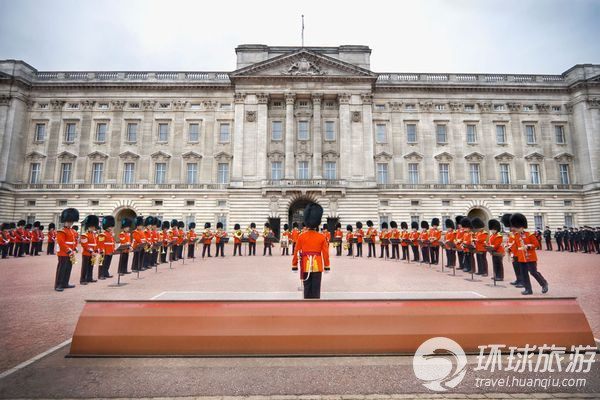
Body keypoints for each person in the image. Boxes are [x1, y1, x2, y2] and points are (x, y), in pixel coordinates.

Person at [292, 203, 330, 299]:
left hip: (305, 264)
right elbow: (325, 253)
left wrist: (294, 265)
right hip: (317, 265)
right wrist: (327, 266)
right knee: (316, 289)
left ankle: (307, 308)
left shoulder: (301, 236)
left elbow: (296, 251)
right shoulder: (321, 237)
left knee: (307, 288)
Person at [510, 213, 548, 295]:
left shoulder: (529, 235)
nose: (516, 229)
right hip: (521, 258)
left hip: (530, 257)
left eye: (517, 228)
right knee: (524, 274)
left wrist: (527, 246)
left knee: (533, 272)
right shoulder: (516, 235)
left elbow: (536, 244)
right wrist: (513, 255)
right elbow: (515, 247)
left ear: (522, 227)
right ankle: (528, 289)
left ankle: (544, 283)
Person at [54, 208, 79, 291]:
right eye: (68, 222)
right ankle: (58, 285)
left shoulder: (72, 231)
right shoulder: (61, 231)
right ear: (65, 221)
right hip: (63, 253)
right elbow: (61, 243)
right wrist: (68, 250)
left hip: (70, 252)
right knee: (62, 269)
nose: (70, 223)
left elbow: (74, 241)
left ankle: (65, 283)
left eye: (71, 222)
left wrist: (75, 247)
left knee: (68, 268)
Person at [502, 213, 523, 288]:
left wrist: (510, 247)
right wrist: (506, 246)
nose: (511, 228)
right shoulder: (511, 233)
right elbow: (509, 241)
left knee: (520, 268)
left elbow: (517, 243)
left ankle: (522, 281)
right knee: (515, 267)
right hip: (513, 253)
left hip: (518, 253)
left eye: (512, 227)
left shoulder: (518, 233)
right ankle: (518, 279)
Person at [80, 215, 99, 284]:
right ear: (88, 227)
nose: (93, 228)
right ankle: (82, 279)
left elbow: (96, 243)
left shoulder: (94, 235)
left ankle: (89, 278)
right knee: (85, 267)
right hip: (86, 253)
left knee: (91, 266)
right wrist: (91, 251)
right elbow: (85, 245)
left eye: (94, 227)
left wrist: (96, 250)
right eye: (91, 227)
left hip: (93, 253)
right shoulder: (84, 235)